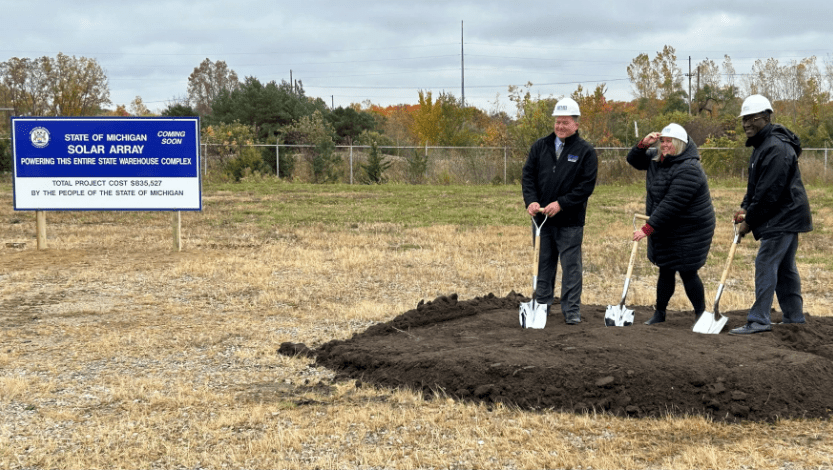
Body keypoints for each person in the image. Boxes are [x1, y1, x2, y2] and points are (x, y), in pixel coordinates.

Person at [728, 94, 813, 335]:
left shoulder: (777, 148)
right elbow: (755, 187)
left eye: (752, 118)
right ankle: (794, 317)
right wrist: (745, 207)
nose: (747, 124)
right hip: (784, 213)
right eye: (744, 119)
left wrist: (750, 223)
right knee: (785, 267)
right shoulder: (762, 146)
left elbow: (769, 194)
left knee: (766, 261)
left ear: (766, 117)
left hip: (785, 214)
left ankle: (758, 320)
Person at [627, 123, 715, 325]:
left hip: (691, 228)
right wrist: (642, 144)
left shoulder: (690, 169)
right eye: (662, 141)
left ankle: (701, 315)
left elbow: (672, 204)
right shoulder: (657, 159)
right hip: (666, 224)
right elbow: (634, 160)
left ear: (680, 144)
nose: (665, 145)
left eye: (669, 142)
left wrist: (647, 229)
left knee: (687, 269)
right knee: (665, 268)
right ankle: (659, 314)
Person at [521, 97, 598, 325]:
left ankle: (571, 310)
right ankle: (542, 306)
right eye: (557, 122)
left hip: (570, 221)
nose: (560, 127)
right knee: (543, 264)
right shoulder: (540, 146)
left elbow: (586, 186)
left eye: (565, 122)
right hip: (541, 219)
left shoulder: (585, 151)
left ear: (575, 124)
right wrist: (532, 201)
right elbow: (528, 177)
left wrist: (561, 203)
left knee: (571, 267)